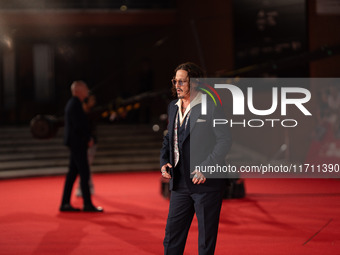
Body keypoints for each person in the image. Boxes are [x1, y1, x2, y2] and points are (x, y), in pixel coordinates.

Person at [160, 62, 232, 255]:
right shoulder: (172, 107)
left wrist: (206, 168)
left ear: (196, 82)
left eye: (182, 81)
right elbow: (169, 138)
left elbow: (225, 140)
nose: (177, 85)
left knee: (205, 242)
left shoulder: (211, 107)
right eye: (175, 81)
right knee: (171, 238)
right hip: (179, 185)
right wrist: (164, 161)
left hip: (206, 184)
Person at [60, 81, 103, 212]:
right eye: (85, 89)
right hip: (78, 143)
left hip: (75, 142)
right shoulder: (75, 105)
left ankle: (65, 203)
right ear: (78, 90)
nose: (87, 91)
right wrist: (88, 138)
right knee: (84, 173)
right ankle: (87, 204)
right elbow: (79, 125)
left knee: (73, 173)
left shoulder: (74, 104)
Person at [76, 94, 97, 197]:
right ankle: (82, 187)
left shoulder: (92, 112)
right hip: (84, 142)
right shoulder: (81, 112)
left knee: (87, 166)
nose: (94, 102)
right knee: (84, 167)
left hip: (91, 142)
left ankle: (88, 186)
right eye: (92, 99)